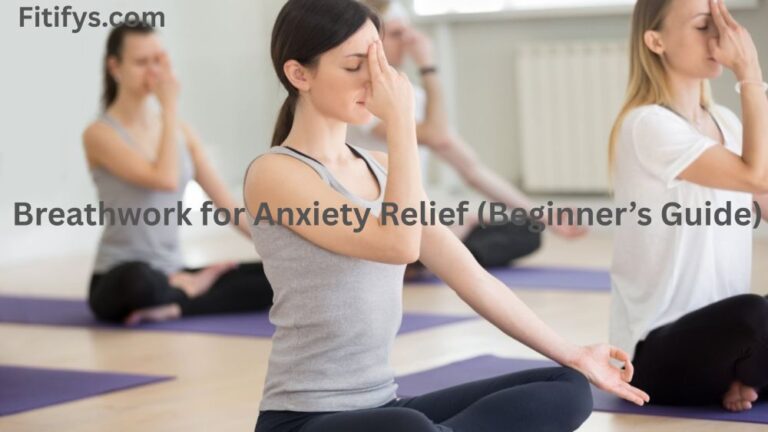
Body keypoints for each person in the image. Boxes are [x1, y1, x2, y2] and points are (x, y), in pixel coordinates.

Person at [245, 1, 649, 431]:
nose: (377, 80)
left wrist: (573, 352)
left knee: (566, 386)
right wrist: (402, 120)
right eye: (354, 66)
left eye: (379, 61)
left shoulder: (382, 165)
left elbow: (471, 277)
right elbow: (399, 244)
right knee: (409, 427)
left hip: (382, 406)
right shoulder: (275, 173)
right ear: (299, 74)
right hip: (301, 420)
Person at [348, 0, 588, 275]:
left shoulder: (412, 94)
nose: (410, 41)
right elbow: (436, 136)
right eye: (397, 34)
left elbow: (471, 168)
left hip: (415, 214)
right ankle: (427, 255)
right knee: (461, 220)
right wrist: (428, 67)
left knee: (525, 229)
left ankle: (430, 256)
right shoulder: (364, 96)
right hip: (376, 218)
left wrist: (545, 215)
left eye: (409, 32)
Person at [609, 0, 768, 412]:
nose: (719, 37)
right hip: (655, 354)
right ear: (655, 40)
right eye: (703, 26)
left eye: (719, 25)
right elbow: (757, 177)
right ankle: (746, 373)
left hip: (723, 342)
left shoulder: (728, 124)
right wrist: (750, 74)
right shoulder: (647, 125)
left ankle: (742, 376)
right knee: (755, 315)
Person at [82, 22, 272, 325]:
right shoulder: (99, 134)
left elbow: (229, 206)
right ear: (114, 67)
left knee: (278, 276)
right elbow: (165, 179)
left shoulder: (181, 131)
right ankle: (187, 290)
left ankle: (177, 303)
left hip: (175, 269)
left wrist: (282, 249)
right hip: (120, 276)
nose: (154, 71)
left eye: (159, 60)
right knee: (140, 282)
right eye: (142, 62)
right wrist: (169, 106)